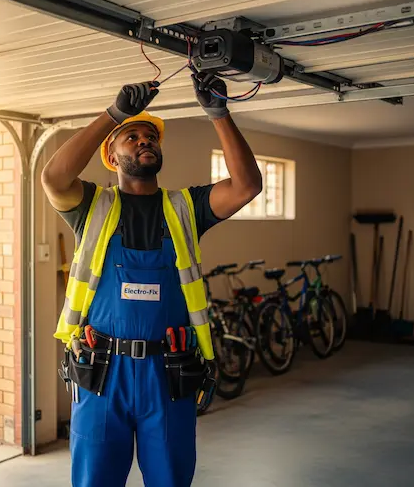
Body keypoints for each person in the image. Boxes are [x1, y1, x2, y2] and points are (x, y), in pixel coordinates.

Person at [41, 73, 263, 487]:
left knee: (171, 480)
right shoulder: (91, 206)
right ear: (111, 152)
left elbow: (247, 185)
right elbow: (53, 178)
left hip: (169, 372)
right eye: (133, 136)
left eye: (151, 137)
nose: (146, 141)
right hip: (102, 371)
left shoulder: (186, 208)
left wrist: (218, 112)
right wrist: (113, 114)